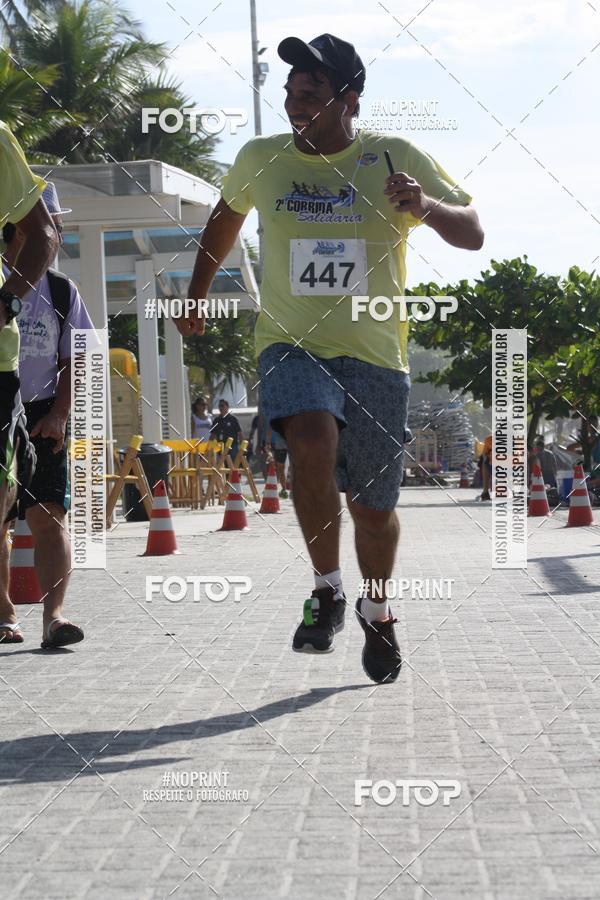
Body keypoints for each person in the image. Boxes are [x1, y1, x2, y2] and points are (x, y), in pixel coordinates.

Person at [177, 33, 483, 683]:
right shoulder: (262, 158)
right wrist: (195, 295)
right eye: (288, 92)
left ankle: (377, 607)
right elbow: (224, 221)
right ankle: (326, 590)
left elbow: (473, 231)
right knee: (310, 438)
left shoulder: (393, 157)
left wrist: (424, 205)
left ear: (348, 99)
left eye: (311, 93)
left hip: (376, 355)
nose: (295, 103)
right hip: (292, 341)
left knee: (374, 510)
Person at [1, 182, 94, 649]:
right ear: (17, 230)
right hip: (2, 403)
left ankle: (54, 617)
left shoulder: (60, 289)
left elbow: (78, 357)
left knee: (49, 516)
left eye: (56, 227)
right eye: (49, 228)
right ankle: (4, 617)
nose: (55, 236)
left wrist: (60, 413)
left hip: (42, 414)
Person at [0, 121, 59, 645]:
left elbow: (44, 234)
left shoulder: (61, 292)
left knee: (38, 513)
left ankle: (51, 613)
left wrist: (6, 302)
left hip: (18, 389)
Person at [266, 424, 290, 498]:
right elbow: (269, 430)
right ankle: (283, 489)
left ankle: (284, 489)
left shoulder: (276, 416)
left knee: (281, 468)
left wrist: (267, 443)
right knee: (281, 468)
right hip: (283, 446)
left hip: (282, 447)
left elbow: (269, 431)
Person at [480, 434, 492, 501]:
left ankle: (485, 491)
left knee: (484, 463)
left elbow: (484, 454)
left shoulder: (489, 438)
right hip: (512, 467)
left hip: (494, 466)